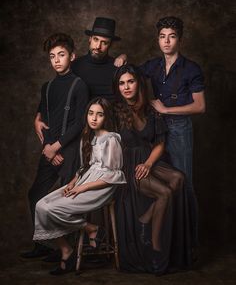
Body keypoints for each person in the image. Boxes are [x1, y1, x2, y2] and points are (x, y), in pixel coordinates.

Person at [113, 64, 192, 275]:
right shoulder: (116, 110)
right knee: (164, 193)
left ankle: (146, 217)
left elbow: (159, 143)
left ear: (138, 83)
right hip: (129, 164)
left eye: (130, 81)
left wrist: (148, 163)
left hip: (148, 159)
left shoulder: (150, 108)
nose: (126, 87)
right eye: (121, 83)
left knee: (178, 178)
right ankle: (156, 248)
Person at [33, 97, 126, 275]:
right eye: (91, 113)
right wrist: (73, 182)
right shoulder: (89, 137)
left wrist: (82, 188)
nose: (94, 118)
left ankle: (88, 232)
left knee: (53, 209)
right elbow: (87, 167)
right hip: (85, 180)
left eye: (99, 114)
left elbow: (114, 175)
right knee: (41, 206)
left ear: (106, 117)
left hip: (101, 187)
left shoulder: (111, 139)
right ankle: (78, 239)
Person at [139, 16, 206, 250]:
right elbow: (131, 77)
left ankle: (190, 244)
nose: (166, 41)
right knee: (160, 181)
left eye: (172, 36)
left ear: (180, 39)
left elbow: (200, 106)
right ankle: (160, 235)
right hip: (157, 129)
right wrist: (122, 59)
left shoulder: (191, 68)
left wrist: (167, 108)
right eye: (162, 37)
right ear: (158, 40)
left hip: (179, 130)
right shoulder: (153, 66)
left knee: (184, 184)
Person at [21, 33, 89, 258]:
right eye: (52, 56)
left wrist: (57, 147)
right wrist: (49, 149)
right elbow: (43, 119)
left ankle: (67, 250)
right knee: (36, 195)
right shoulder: (47, 87)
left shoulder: (79, 86)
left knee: (66, 201)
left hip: (69, 151)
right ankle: (43, 244)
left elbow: (80, 123)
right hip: (50, 149)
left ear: (72, 56)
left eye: (61, 55)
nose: (57, 60)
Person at [35, 17, 126, 143]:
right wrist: (38, 116)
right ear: (89, 39)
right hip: (80, 133)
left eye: (104, 42)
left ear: (110, 44)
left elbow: (131, 92)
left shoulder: (117, 68)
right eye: (95, 39)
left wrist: (124, 57)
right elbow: (57, 89)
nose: (98, 46)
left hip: (110, 132)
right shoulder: (75, 65)